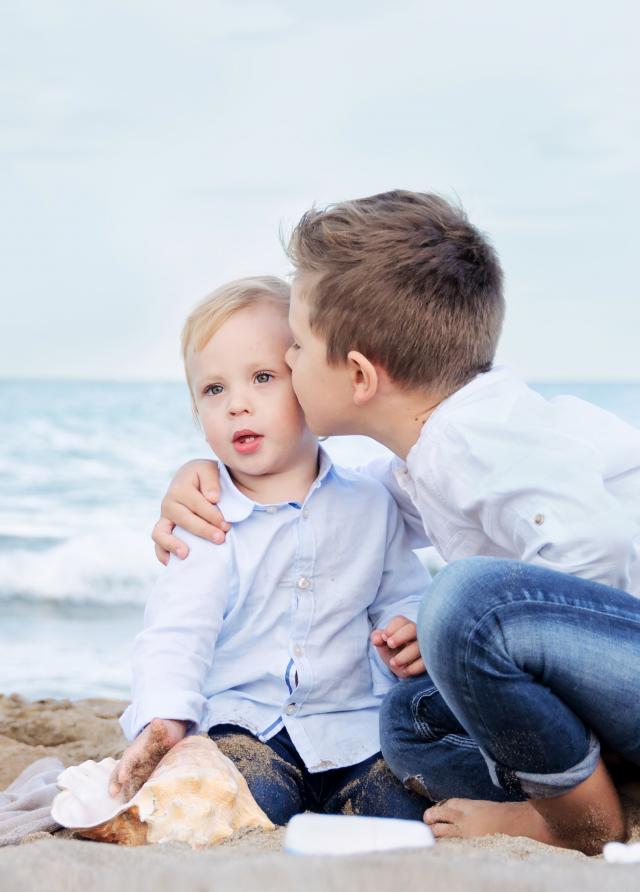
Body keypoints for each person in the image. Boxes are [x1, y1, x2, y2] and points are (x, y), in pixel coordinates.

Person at [153, 191, 640, 855]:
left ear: (357, 375)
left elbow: (598, 547)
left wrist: (481, 634)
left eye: (296, 348)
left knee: (465, 601)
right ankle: (600, 785)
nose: (287, 364)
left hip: (623, 662)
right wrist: (203, 474)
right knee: (409, 718)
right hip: (615, 676)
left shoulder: (477, 441)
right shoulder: (431, 459)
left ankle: (583, 820)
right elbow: (338, 503)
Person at [110, 275, 429, 826]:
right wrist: (164, 718)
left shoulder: (370, 504)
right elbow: (175, 632)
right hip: (244, 727)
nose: (237, 405)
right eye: (213, 390)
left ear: (309, 383)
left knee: (397, 807)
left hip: (352, 727)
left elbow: (402, 593)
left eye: (262, 378)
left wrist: (409, 628)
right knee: (242, 799)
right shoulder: (207, 517)